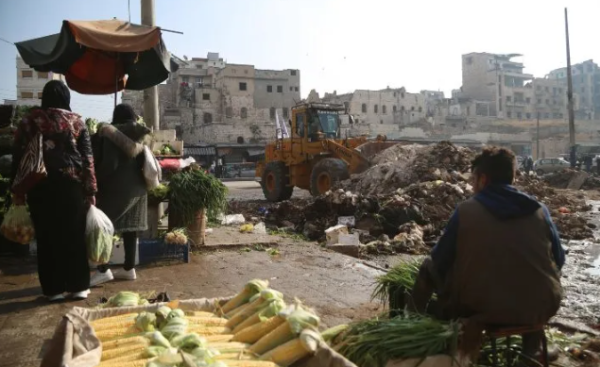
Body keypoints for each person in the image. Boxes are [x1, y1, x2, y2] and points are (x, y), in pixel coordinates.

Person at [409, 147, 564, 360]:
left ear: (483, 179)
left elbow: (438, 263)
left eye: (473, 179)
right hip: (539, 307)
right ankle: (533, 348)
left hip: (478, 308)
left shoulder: (466, 211)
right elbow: (559, 260)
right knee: (531, 280)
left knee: (428, 267)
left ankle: (411, 326)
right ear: (513, 177)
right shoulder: (540, 210)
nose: (472, 185)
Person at [12, 80, 97, 302]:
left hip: (38, 185)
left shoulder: (29, 120)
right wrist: (90, 191)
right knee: (74, 235)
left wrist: (17, 190)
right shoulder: (76, 121)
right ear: (66, 98)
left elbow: (18, 157)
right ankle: (78, 286)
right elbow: (87, 159)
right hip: (71, 186)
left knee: (47, 237)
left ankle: (53, 289)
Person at [90, 104, 150, 286]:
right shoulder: (143, 133)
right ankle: (129, 268)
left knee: (104, 226)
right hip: (139, 187)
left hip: (114, 187)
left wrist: (97, 182)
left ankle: (103, 269)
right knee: (131, 227)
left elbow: (108, 164)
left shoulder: (108, 133)